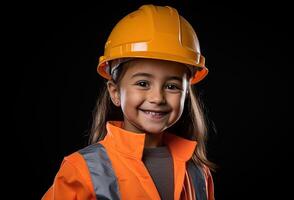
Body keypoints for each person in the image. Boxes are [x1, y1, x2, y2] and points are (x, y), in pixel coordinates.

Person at [42, 4, 215, 200]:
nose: (157, 98)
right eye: (143, 83)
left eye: (172, 86)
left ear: (185, 94)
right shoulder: (82, 170)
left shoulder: (198, 172)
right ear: (115, 92)